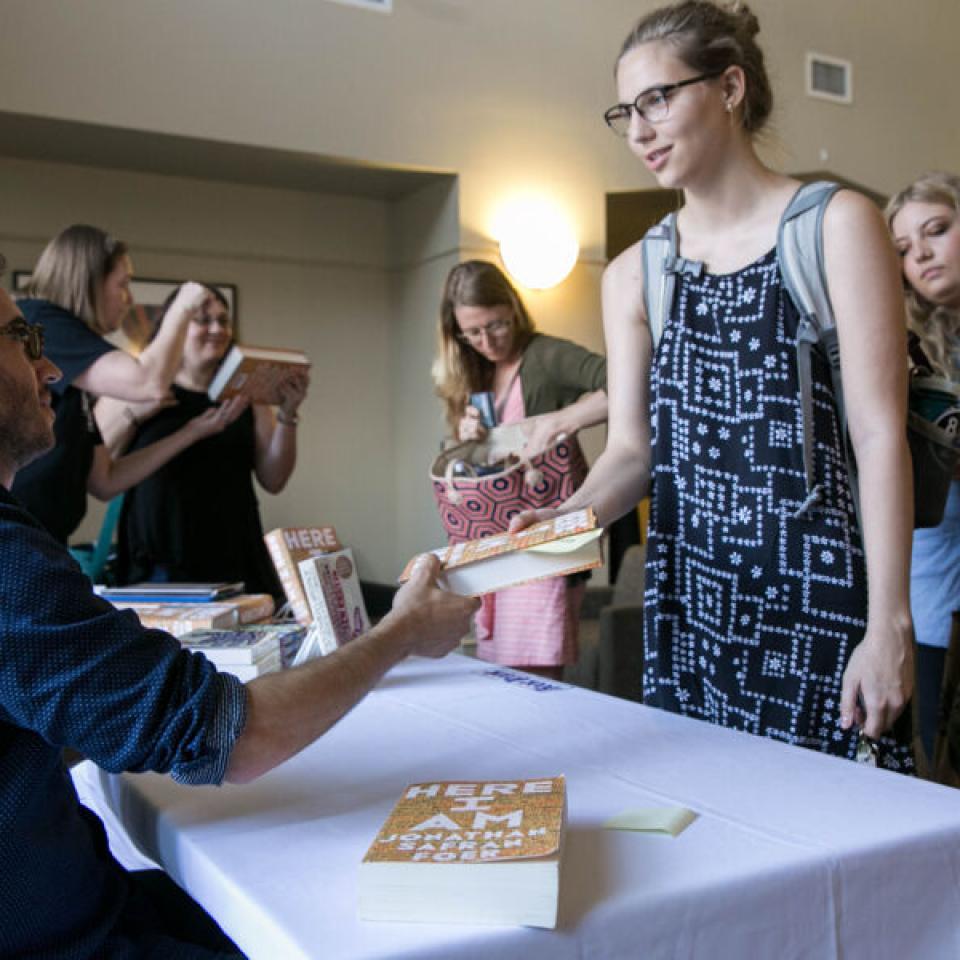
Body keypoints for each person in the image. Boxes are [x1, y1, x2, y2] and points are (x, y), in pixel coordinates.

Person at [0, 276, 479, 958]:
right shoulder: (12, 565)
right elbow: (234, 739)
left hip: (94, 899)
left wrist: (283, 415)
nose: (50, 369)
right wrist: (399, 630)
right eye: (24, 342)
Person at [514, 0, 914, 769]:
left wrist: (887, 622)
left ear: (730, 88)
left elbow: (876, 434)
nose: (638, 130)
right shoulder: (636, 272)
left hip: (823, 612)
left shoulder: (834, 225)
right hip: (692, 613)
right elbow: (632, 454)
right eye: (625, 111)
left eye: (658, 99)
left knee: (842, 850)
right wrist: (553, 531)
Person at [433, 260, 607, 680]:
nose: (486, 341)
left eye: (496, 325)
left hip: (545, 534)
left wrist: (564, 419)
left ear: (513, 307)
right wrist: (466, 431)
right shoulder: (476, 371)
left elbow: (628, 381)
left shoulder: (546, 355)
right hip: (497, 539)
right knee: (502, 673)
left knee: (539, 672)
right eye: (472, 332)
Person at [97, 284, 307, 599]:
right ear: (176, 326)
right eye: (203, 320)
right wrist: (137, 412)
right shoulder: (139, 387)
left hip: (235, 557)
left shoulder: (245, 396)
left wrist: (289, 415)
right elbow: (98, 471)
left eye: (223, 321)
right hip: (159, 562)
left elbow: (274, 479)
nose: (217, 329)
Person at [11, 224, 215, 543]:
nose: (129, 299)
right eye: (123, 284)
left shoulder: (75, 373)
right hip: (16, 538)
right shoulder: (42, 320)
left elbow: (106, 480)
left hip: (44, 538)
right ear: (89, 282)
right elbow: (147, 383)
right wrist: (184, 305)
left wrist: (192, 432)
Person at [887, 171, 960, 764]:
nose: (923, 255)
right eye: (905, 249)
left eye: (937, 230)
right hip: (932, 596)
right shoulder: (899, 344)